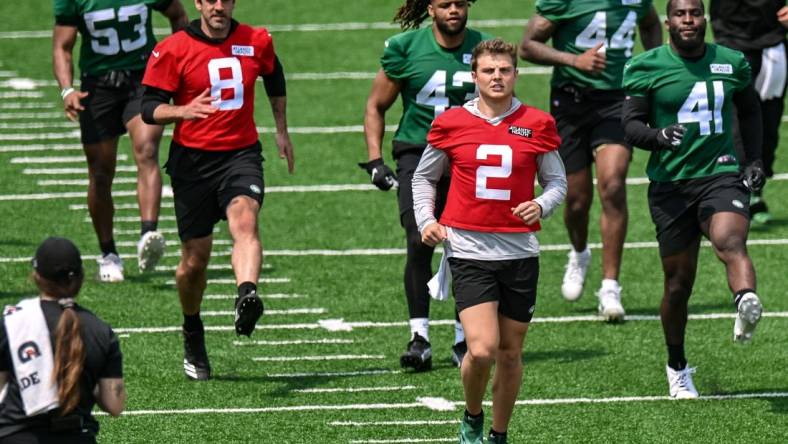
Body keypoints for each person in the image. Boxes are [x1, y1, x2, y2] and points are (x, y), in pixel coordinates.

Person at [413, 39, 566, 444]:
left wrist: (541, 204)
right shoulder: (450, 123)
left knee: (511, 353)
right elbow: (423, 177)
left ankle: (499, 434)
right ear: (474, 76)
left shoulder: (537, 123)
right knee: (481, 350)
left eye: (504, 70)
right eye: (488, 71)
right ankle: (472, 415)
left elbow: (557, 182)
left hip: (519, 252)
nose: (497, 77)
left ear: (516, 74)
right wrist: (426, 220)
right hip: (469, 249)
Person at [141, 0, 295, 381]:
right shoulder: (173, 48)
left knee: (245, 220)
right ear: (198, 3)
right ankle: (192, 329)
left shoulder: (256, 40)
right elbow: (148, 107)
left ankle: (246, 293)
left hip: (240, 155)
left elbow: (274, 76)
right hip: (192, 163)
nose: (218, 6)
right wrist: (183, 111)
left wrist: (281, 129)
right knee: (195, 261)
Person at [622, 0, 765, 399]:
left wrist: (754, 159)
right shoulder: (646, 65)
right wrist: (657, 137)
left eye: (695, 13)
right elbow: (630, 125)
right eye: (681, 14)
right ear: (668, 21)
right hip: (671, 185)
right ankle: (677, 365)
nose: (689, 20)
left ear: (705, 18)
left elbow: (751, 110)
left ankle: (746, 300)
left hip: (720, 174)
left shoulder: (731, 61)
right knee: (678, 285)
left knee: (730, 240)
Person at [361, 0, 492, 371]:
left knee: (470, 246)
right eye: (445, 4)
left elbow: (503, 105)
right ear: (430, 8)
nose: (454, 10)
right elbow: (376, 105)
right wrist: (375, 160)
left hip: (470, 158)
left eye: (460, 3)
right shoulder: (406, 48)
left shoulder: (484, 49)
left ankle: (463, 338)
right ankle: (419, 337)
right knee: (420, 239)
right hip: (418, 154)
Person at [519, 0, 662, 321]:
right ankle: (580, 253)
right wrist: (574, 60)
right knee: (576, 200)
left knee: (613, 185)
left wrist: (654, 63)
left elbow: (651, 23)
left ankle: (610, 286)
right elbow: (526, 46)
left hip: (617, 100)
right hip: (571, 101)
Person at [52, 0, 189, 282]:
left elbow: (178, 15)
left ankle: (147, 234)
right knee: (101, 174)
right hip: (98, 87)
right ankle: (108, 252)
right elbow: (62, 46)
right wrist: (67, 90)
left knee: (147, 150)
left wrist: (175, 64)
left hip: (142, 80)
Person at [0, 237, 125, 443]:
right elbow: (115, 404)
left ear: (36, 277)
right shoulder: (100, 330)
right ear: (81, 278)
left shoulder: (12, 322)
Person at [710, 0, 788, 224]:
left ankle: (756, 193)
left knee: (768, 125)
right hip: (730, 39)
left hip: (772, 42)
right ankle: (735, 194)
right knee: (733, 124)